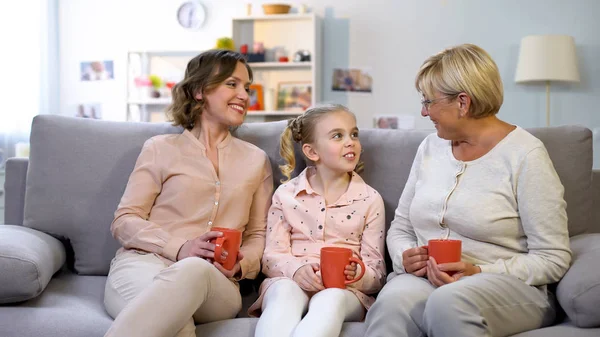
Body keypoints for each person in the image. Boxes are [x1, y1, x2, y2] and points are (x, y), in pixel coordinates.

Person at [364, 43, 572, 337]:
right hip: (425, 279)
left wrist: (479, 272)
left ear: (462, 102)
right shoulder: (430, 147)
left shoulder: (525, 155)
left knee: (448, 303)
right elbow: (401, 227)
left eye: (428, 102)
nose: (424, 113)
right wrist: (404, 256)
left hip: (505, 287)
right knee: (390, 304)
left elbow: (553, 258)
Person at [103, 49, 273, 337]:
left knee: (193, 269)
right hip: (144, 266)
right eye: (232, 84)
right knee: (176, 324)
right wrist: (179, 247)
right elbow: (125, 220)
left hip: (214, 282)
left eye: (247, 87)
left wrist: (243, 264)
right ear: (198, 91)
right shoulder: (160, 148)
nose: (244, 95)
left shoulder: (256, 160)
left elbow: (258, 234)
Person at [248, 104, 387, 337]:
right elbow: (271, 257)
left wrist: (359, 273)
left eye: (354, 134)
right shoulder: (286, 195)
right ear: (312, 152)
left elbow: (377, 272)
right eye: (337, 136)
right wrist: (297, 270)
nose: (350, 141)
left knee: (330, 299)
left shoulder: (370, 200)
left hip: (345, 291)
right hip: (290, 281)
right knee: (284, 295)